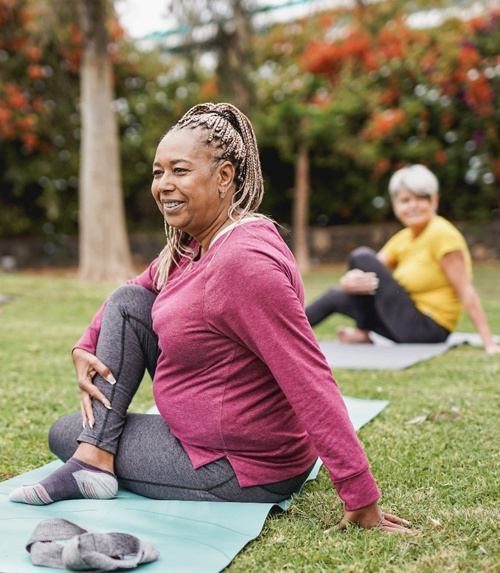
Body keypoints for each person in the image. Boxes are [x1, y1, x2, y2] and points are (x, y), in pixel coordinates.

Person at [9, 103, 411, 533]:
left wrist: (361, 496)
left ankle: (93, 459)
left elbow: (308, 376)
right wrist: (84, 345)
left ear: (223, 177)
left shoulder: (242, 263)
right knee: (128, 304)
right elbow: (134, 290)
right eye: (157, 172)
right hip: (208, 439)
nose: (164, 184)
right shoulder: (193, 244)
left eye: (179, 170)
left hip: (240, 466)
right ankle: (95, 458)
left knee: (64, 432)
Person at [306, 164, 500, 354]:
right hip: (402, 322)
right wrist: (347, 282)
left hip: (428, 328)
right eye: (406, 200)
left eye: (421, 198)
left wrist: (488, 343)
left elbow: (466, 290)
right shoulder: (404, 237)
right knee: (334, 296)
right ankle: (280, 337)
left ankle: (361, 332)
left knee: (361, 255)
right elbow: (369, 271)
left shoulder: (442, 234)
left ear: (434, 201)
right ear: (395, 206)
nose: (413, 205)